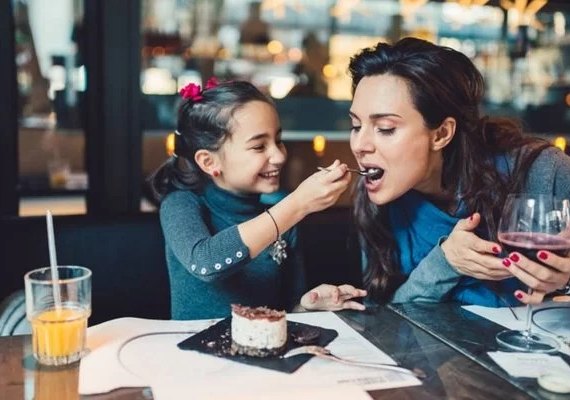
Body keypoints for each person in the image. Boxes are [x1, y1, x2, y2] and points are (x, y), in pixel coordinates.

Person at [347, 38, 570, 307]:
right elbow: (384, 318)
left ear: (441, 133)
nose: (359, 145)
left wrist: (565, 283)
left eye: (385, 128)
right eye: (356, 126)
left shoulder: (543, 172)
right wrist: (445, 262)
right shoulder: (375, 198)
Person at [149, 78, 366, 319]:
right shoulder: (181, 203)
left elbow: (286, 311)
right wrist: (297, 204)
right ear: (210, 162)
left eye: (278, 141)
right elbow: (206, 263)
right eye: (259, 146)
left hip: (265, 352)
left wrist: (307, 306)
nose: (279, 156)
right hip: (193, 353)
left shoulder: (284, 215)